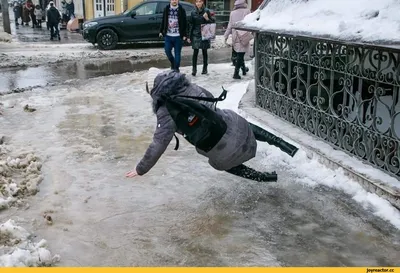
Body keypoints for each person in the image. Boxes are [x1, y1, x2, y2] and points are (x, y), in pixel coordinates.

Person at [125, 71, 298, 182]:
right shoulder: (189, 86)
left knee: (220, 160)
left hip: (217, 147)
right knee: (234, 121)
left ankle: (262, 178)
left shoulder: (165, 110)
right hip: (231, 127)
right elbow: (210, 98)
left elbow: (159, 143)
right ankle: (286, 146)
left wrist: (141, 169)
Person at [224, 0, 251, 79]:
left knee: (240, 54)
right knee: (240, 54)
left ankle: (243, 70)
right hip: (244, 34)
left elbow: (230, 25)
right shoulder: (247, 11)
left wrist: (226, 36)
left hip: (235, 35)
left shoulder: (232, 13)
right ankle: (236, 73)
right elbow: (250, 23)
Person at [159, 0, 188, 72]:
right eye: (173, 0)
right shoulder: (166, 9)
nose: (174, 1)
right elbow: (163, 20)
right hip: (168, 36)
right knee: (167, 51)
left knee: (177, 53)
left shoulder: (181, 10)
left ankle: (176, 69)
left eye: (176, 0)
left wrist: (185, 34)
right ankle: (173, 63)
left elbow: (185, 22)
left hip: (178, 36)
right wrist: (161, 31)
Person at [187, 0, 214, 76]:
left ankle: (205, 68)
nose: (198, 3)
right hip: (196, 33)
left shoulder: (206, 11)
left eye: (200, 1)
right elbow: (191, 25)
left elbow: (212, 22)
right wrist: (189, 36)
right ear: (195, 3)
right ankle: (194, 69)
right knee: (195, 52)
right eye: (197, 2)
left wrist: (207, 18)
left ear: (202, 2)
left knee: (204, 51)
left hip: (204, 33)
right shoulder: (193, 12)